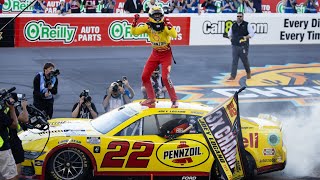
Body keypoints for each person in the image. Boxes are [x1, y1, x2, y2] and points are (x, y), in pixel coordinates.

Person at [131, 6, 179, 108]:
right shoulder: (147, 26)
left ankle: (174, 100)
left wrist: (169, 25)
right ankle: (151, 99)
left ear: (162, 16)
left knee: (165, 78)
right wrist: (134, 22)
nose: (157, 17)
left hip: (166, 54)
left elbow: (174, 35)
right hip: (155, 53)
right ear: (151, 16)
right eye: (155, 15)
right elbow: (134, 32)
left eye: (159, 15)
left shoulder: (165, 25)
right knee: (144, 76)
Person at [227, 12, 255, 80]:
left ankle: (248, 73)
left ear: (243, 17)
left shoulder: (247, 24)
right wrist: (231, 39)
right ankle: (233, 76)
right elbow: (229, 33)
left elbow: (252, 33)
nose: (239, 17)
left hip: (243, 46)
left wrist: (246, 37)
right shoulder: (233, 25)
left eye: (240, 16)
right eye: (238, 16)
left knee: (245, 60)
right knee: (234, 61)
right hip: (235, 45)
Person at [9, 97, 29, 178]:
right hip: (11, 140)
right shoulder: (9, 109)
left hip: (6, 140)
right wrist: (24, 106)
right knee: (17, 161)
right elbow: (25, 119)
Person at [0, 94, 18, 180]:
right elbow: (14, 124)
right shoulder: (1, 115)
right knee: (11, 176)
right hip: (2, 149)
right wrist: (12, 108)